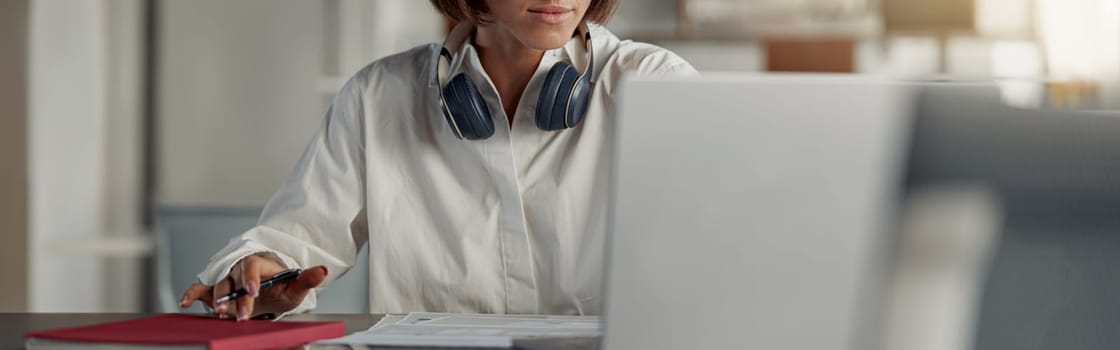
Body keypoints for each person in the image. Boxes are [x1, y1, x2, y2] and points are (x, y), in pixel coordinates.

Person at [179, 0, 698, 321]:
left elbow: (727, 244)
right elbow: (294, 240)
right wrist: (262, 276)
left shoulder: (652, 83)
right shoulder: (379, 96)